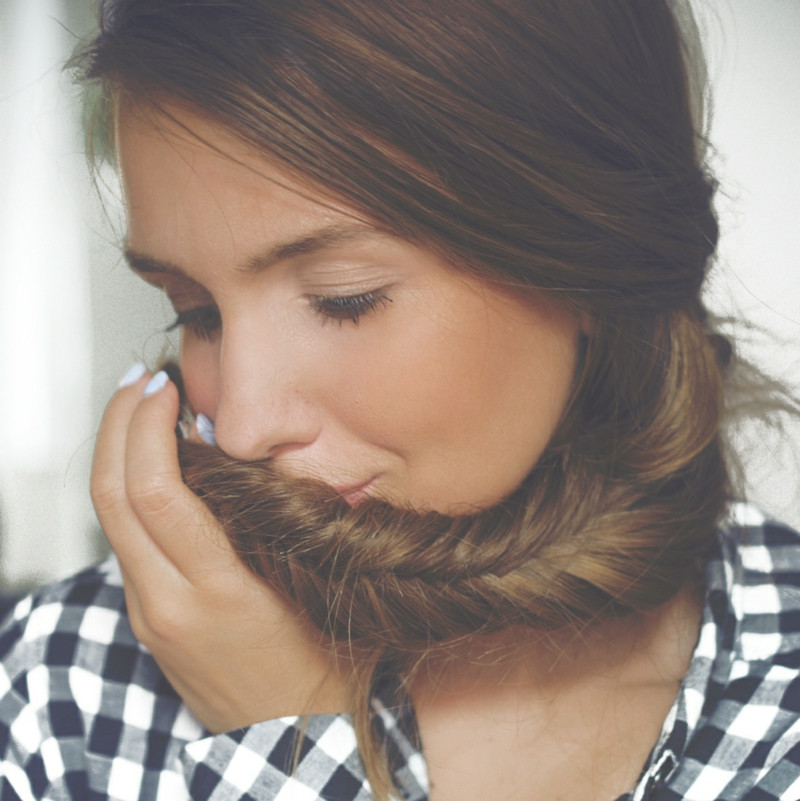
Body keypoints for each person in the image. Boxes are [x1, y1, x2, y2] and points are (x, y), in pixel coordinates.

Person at [1, 0, 799, 799]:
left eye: (345, 298)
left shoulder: (778, 698)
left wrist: (287, 763)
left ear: (593, 259)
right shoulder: (58, 686)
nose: (240, 426)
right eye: (194, 311)